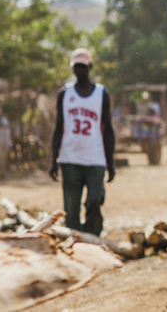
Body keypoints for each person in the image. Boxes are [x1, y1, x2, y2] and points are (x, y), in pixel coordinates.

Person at [49, 48, 115, 235]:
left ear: (89, 67)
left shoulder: (101, 94)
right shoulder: (64, 94)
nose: (79, 70)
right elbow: (58, 128)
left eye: (83, 67)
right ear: (72, 69)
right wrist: (54, 159)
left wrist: (110, 162)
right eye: (76, 67)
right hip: (70, 159)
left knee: (95, 199)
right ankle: (74, 242)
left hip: (95, 158)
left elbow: (108, 129)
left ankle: (92, 235)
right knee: (71, 209)